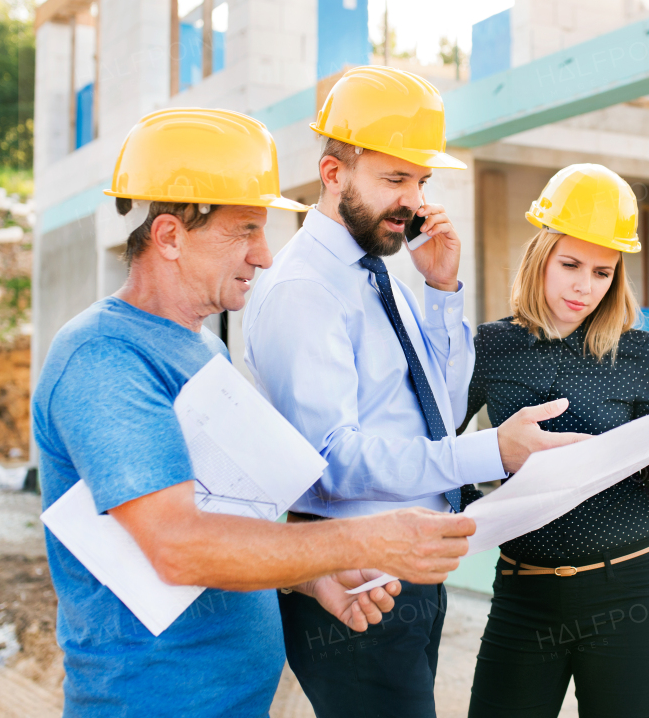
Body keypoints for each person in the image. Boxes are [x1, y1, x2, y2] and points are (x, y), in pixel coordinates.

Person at [33, 108, 476, 718]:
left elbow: (228, 513)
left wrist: (313, 576)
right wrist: (367, 537)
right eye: (244, 231)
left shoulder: (202, 347)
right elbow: (180, 546)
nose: (265, 256)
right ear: (169, 236)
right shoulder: (104, 358)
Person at [242, 67, 586, 718]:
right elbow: (332, 460)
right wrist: (491, 453)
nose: (412, 199)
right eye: (394, 179)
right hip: (353, 577)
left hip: (407, 570)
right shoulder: (305, 290)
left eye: (421, 181)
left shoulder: (383, 273)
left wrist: (441, 289)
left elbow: (442, 407)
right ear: (334, 173)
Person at [462, 163, 649, 718]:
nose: (586, 286)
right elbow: (439, 451)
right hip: (524, 595)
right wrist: (478, 515)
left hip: (630, 595)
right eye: (571, 265)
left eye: (603, 272)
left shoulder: (640, 353)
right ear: (541, 256)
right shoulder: (489, 348)